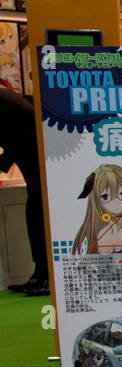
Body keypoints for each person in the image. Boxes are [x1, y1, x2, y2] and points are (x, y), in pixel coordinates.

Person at [0, 88, 48, 295]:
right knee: (35, 214)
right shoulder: (5, 99)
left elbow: (21, 132)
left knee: (38, 215)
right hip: (31, 156)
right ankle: (40, 274)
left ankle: (45, 277)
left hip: (40, 159)